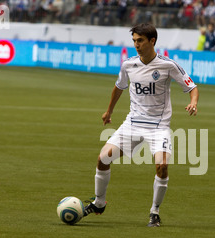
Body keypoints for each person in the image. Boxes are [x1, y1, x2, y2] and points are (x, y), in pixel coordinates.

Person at [83, 23, 199, 227]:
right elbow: (119, 87)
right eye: (134, 40)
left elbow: (192, 86)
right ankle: (99, 203)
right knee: (103, 158)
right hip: (132, 124)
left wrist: (193, 102)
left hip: (158, 127)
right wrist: (109, 110)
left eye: (140, 40)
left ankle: (155, 212)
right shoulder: (128, 64)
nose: (136, 44)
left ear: (152, 41)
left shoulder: (168, 65)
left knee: (162, 167)